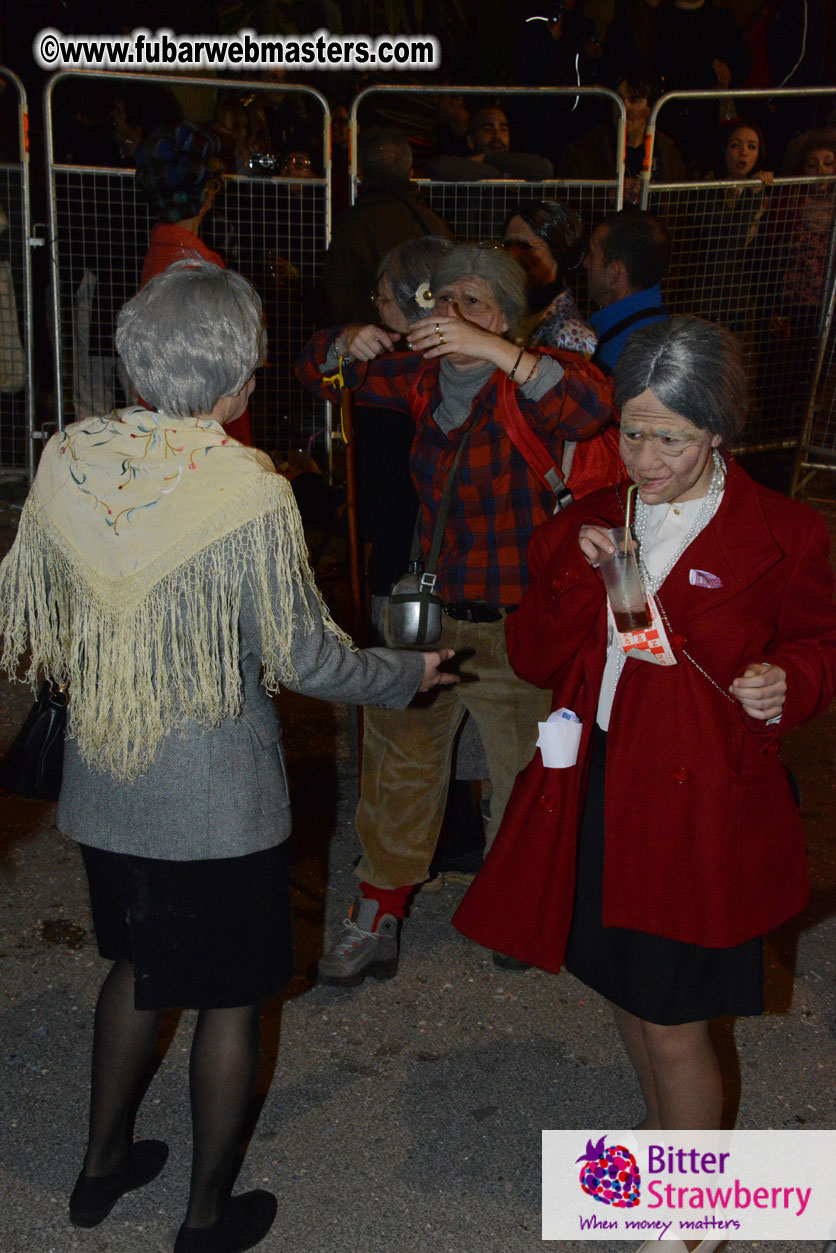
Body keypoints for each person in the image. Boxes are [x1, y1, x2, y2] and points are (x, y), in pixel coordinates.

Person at [0, 260, 455, 1253]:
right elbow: (301, 656)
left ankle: (100, 1166)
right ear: (238, 380)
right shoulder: (247, 489)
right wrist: (400, 673)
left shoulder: (68, 454)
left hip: (106, 777)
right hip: (214, 801)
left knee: (133, 963)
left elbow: (48, 603)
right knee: (226, 996)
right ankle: (206, 1217)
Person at [454, 317, 836, 1162]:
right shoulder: (588, 519)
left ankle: (693, 1206)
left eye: (674, 437)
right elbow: (530, 655)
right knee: (626, 993)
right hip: (599, 786)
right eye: (633, 431)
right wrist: (576, 578)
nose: (647, 457)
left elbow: (823, 644)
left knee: (674, 1022)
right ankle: (667, 1134)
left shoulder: (786, 534)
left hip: (702, 814)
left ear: (719, 433)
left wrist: (792, 681)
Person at [296, 242, 615, 985]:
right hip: (428, 608)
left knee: (525, 771)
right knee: (398, 761)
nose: (451, 315)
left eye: (473, 301)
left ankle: (517, 907)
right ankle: (378, 909)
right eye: (443, 300)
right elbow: (314, 368)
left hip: (515, 618)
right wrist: (348, 342)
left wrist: (499, 354)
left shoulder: (536, 381)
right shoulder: (419, 375)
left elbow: (593, 406)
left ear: (506, 317)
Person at [134, 121, 252, 447]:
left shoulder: (159, 251)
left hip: (163, 397)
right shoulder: (198, 263)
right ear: (206, 196)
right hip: (202, 407)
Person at [502, 199, 623, 498]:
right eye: (507, 245)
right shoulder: (508, 315)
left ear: (557, 251)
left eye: (526, 246)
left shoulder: (572, 333)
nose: (511, 255)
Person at [314, 126, 451, 328]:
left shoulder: (353, 225)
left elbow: (337, 297)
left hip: (371, 344)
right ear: (411, 172)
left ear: (360, 172)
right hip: (431, 338)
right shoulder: (435, 224)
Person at [558, 64, 686, 205]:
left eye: (634, 100)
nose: (624, 108)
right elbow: (568, 201)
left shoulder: (669, 153)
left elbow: (679, 205)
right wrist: (608, 196)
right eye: (618, 99)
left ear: (650, 108)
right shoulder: (584, 152)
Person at [583, 208, 671, 372]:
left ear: (613, 273)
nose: (586, 263)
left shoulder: (621, 354)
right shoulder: (659, 328)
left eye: (593, 254)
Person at [425, 106, 554, 182]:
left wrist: (488, 158)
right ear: (471, 141)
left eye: (503, 129)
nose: (497, 136)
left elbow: (544, 168)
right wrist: (501, 175)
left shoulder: (521, 164)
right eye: (488, 129)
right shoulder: (464, 166)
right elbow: (439, 168)